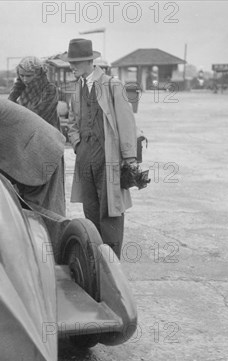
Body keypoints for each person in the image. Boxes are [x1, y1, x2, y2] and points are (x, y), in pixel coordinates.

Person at [60, 38, 137, 258]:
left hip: (108, 156)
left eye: (75, 62)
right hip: (85, 157)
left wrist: (129, 158)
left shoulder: (113, 85)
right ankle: (95, 259)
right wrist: (77, 144)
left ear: (88, 61)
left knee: (111, 209)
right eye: (70, 62)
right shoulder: (77, 88)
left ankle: (111, 264)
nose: (72, 66)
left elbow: (126, 122)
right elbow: (72, 122)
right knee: (90, 208)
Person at [8, 56, 61, 129]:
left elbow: (38, 115)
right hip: (26, 132)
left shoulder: (50, 89)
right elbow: (9, 108)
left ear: (38, 74)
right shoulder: (20, 89)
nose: (25, 79)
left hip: (47, 134)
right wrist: (16, 88)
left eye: (29, 76)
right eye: (22, 75)